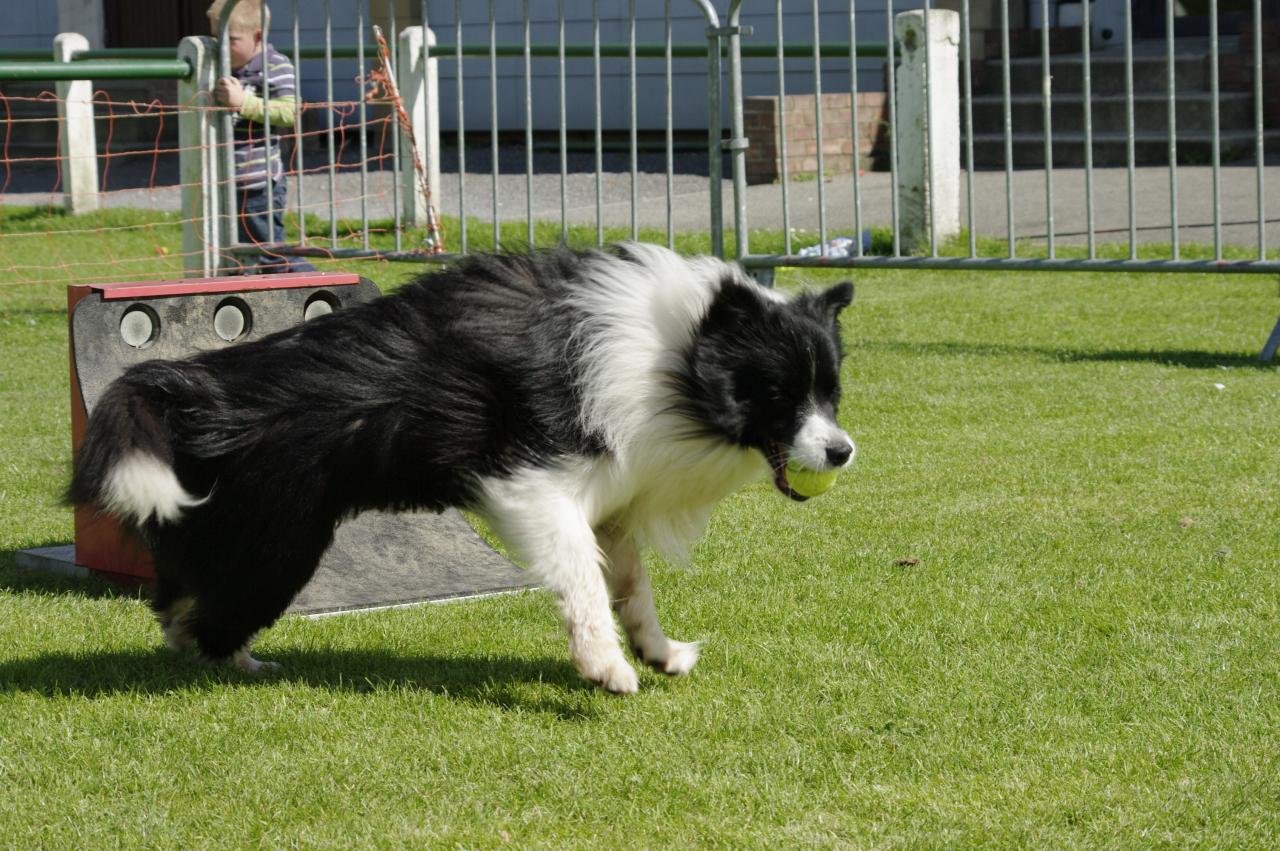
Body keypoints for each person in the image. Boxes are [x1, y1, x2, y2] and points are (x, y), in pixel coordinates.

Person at [207, 0, 315, 274]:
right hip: (224, 183)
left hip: (258, 183)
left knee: (268, 253)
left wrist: (243, 102)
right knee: (231, 255)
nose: (220, 47)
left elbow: (289, 112)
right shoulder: (218, 67)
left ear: (257, 36)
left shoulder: (276, 66)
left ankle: (316, 284)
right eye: (215, 38)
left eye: (230, 40)